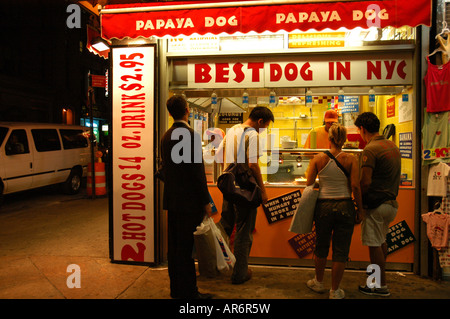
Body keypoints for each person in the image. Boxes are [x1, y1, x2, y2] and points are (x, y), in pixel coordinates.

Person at [160, 95, 213, 299]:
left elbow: (167, 169)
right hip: (189, 203)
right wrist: (205, 200)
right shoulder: (190, 135)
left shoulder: (166, 136)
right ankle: (190, 293)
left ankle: (176, 290)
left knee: (175, 250)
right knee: (187, 250)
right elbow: (197, 171)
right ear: (187, 110)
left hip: (172, 201)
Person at [305, 123, 364, 299]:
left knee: (321, 246)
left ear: (329, 138)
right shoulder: (351, 159)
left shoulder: (317, 159)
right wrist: (360, 209)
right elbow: (355, 185)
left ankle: (318, 282)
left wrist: (323, 182)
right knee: (341, 250)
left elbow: (308, 184)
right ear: (345, 139)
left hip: (323, 206)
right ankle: (335, 290)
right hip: (345, 205)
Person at [216, 106, 274, 284]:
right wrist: (263, 191)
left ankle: (216, 264)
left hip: (229, 188)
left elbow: (219, 156)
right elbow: (253, 165)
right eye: (266, 127)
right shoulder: (253, 134)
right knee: (243, 231)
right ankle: (240, 273)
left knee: (224, 226)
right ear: (260, 122)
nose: (264, 131)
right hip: (245, 191)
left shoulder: (232, 130)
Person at [354, 112, 401, 297]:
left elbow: (365, 182)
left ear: (362, 129)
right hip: (391, 204)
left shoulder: (371, 149)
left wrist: (359, 204)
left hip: (376, 206)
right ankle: (375, 281)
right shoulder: (391, 145)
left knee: (374, 247)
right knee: (381, 243)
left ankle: (380, 285)